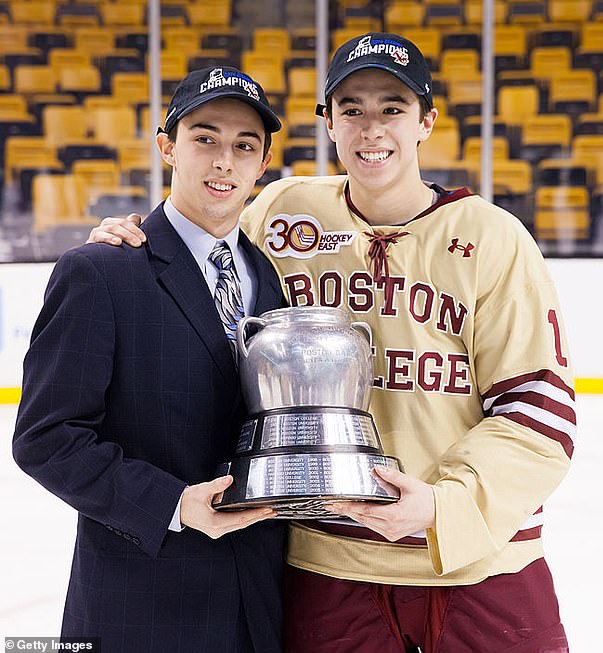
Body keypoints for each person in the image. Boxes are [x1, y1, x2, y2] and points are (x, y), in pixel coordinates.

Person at [88, 34, 574, 653]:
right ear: (328, 124)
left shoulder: (492, 236)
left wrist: (440, 506)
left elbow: (540, 407)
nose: (371, 129)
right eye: (351, 109)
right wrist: (129, 234)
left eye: (392, 108)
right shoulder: (287, 212)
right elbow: (197, 250)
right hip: (326, 564)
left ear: (427, 121)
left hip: (478, 561)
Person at [13, 66, 288, 653]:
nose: (224, 161)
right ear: (167, 147)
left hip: (260, 605)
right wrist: (174, 505)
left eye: (245, 146)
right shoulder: (100, 272)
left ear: (263, 164)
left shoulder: (270, 278)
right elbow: (46, 438)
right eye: (204, 138)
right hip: (141, 609)